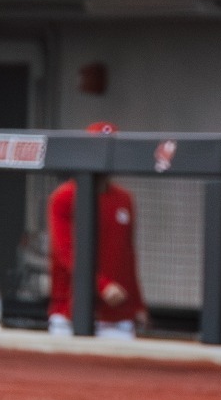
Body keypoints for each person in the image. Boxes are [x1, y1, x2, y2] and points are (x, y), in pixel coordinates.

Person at [46, 124, 148, 339]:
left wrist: (137, 303)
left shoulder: (124, 199)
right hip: (70, 313)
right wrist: (102, 285)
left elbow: (127, 254)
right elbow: (65, 252)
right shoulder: (64, 197)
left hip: (118, 315)